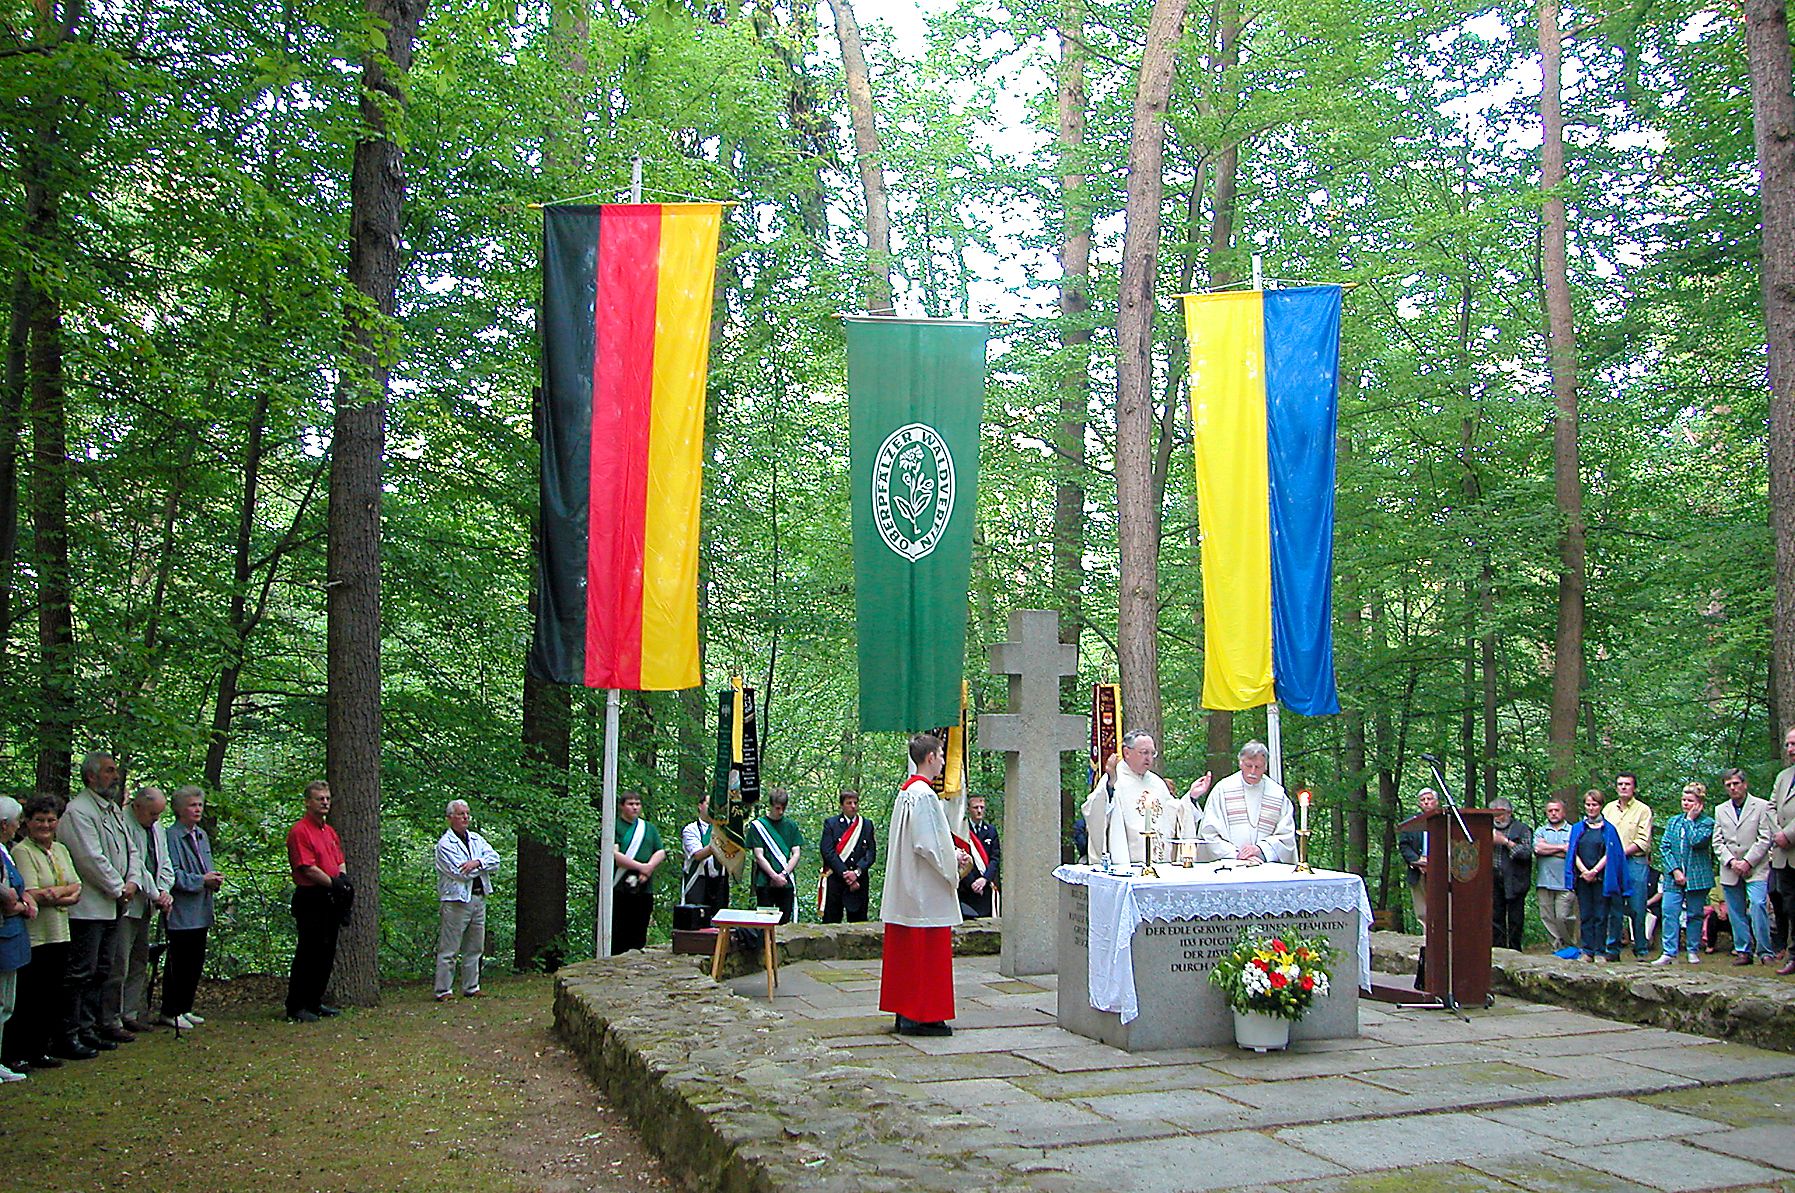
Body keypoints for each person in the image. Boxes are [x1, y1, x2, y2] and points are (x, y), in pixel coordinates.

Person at [880, 733, 963, 1037]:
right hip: (924, 890)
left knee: (907, 954)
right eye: (940, 756)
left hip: (907, 884)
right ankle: (922, 1015)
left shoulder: (906, 792)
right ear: (930, 758)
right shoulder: (924, 796)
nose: (942, 762)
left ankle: (907, 1012)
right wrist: (953, 861)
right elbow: (929, 845)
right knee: (926, 954)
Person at [59, 751, 137, 1050]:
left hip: (114, 905)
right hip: (88, 907)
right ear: (91, 776)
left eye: (115, 771)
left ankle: (89, 1027)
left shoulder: (113, 810)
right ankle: (69, 1033)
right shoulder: (78, 811)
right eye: (109, 771)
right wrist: (119, 887)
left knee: (103, 969)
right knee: (82, 971)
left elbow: (131, 850)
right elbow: (89, 858)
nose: (115, 777)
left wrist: (132, 881)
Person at [14, 796, 79, 1067]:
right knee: (30, 994)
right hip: (36, 934)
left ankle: (42, 1048)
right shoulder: (22, 851)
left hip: (60, 931)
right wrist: (61, 893)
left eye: (51, 820)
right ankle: (19, 1052)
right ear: (27, 822)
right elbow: (31, 894)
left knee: (52, 993)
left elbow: (76, 887)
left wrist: (56, 893)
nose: (45, 825)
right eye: (39, 820)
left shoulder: (61, 849)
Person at [112, 785, 173, 1034]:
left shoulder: (157, 828)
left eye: (158, 814)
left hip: (149, 905)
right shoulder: (122, 824)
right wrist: (155, 893)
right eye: (152, 813)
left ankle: (131, 1012)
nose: (155, 819)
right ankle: (113, 1017)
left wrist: (165, 889)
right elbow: (136, 864)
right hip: (129, 904)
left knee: (139, 960)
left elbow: (164, 862)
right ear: (136, 806)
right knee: (120, 962)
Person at [285, 780, 346, 1022]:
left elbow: (339, 859)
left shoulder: (328, 831)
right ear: (308, 802)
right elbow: (307, 868)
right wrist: (333, 883)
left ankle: (314, 1001)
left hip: (330, 896)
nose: (325, 802)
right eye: (320, 799)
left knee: (326, 952)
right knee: (308, 952)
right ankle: (296, 1005)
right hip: (311, 896)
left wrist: (342, 881)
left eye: (327, 798)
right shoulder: (300, 831)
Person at [161, 786, 221, 1029]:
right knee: (179, 961)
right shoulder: (171, 836)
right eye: (192, 805)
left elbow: (206, 866)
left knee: (195, 961)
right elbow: (173, 874)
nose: (197, 809)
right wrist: (201, 881)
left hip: (201, 908)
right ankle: (170, 1010)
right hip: (181, 910)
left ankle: (185, 1007)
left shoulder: (201, 835)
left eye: (200, 805)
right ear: (179, 809)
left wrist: (213, 880)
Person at [434, 799, 500, 998]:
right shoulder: (445, 844)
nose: (465, 817)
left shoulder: (476, 839)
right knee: (450, 948)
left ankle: (472, 987)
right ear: (450, 818)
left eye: (467, 813)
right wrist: (480, 866)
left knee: (475, 947)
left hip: (479, 898)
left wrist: (477, 862)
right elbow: (460, 872)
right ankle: (443, 990)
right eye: (460, 814)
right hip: (456, 901)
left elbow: (495, 860)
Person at [1196, 741, 1294, 864]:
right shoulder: (1223, 790)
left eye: (1258, 767)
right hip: (1229, 864)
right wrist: (1237, 855)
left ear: (1265, 766)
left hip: (1265, 865)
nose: (1253, 771)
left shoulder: (1277, 794)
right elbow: (1209, 832)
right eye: (1248, 766)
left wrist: (1260, 849)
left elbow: (1286, 835)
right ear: (1240, 763)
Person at [1714, 767, 1774, 966]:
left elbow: (1765, 837)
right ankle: (1743, 950)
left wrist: (1748, 862)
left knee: (1758, 904)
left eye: (1736, 783)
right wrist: (1731, 861)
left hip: (1756, 868)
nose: (1733, 788)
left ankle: (1764, 950)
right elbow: (1717, 841)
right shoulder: (1720, 810)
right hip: (1730, 868)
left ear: (1744, 784)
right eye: (1728, 785)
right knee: (1735, 911)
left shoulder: (1762, 806)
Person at [1655, 782, 1714, 966]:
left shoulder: (1707, 823)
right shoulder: (1673, 822)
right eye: (1684, 800)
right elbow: (1664, 847)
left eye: (1690, 801)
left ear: (1699, 803)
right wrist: (1675, 870)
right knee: (1669, 911)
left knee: (1695, 914)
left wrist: (1690, 821)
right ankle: (1669, 952)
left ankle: (1692, 950)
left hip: (1697, 877)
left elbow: (1697, 841)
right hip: (1673, 878)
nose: (1686, 804)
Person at [1567, 789, 1629, 962]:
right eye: (1588, 804)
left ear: (1600, 806)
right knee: (1586, 915)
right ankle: (1587, 951)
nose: (1591, 808)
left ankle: (1600, 951)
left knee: (1601, 916)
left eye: (1594, 805)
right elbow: (1572, 852)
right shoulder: (1578, 828)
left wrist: (1594, 870)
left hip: (1602, 878)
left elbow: (1612, 853)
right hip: (1583, 878)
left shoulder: (1609, 829)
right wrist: (1584, 871)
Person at [0, 797, 35, 1080]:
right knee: (1, 1003)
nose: (18, 826)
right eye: (16, 821)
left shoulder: (5, 851)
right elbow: (8, 900)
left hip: (11, 935)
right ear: (4, 825)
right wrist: (24, 905)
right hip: (4, 934)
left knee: (6, 1004)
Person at [1604, 773, 1654, 960]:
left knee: (1637, 907)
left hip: (1635, 861)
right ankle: (1612, 949)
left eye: (1627, 784)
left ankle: (1641, 948)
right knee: (1613, 905)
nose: (1623, 787)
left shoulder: (1643, 810)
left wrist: (1620, 853)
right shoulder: (1608, 809)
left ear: (1634, 788)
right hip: (1612, 863)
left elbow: (1643, 841)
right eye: (1620, 784)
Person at [612, 792, 665, 952]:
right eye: (630, 804)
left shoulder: (649, 828)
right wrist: (640, 867)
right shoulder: (614, 826)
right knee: (620, 929)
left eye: (637, 804)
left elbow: (660, 851)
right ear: (622, 806)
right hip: (620, 885)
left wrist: (649, 868)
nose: (635, 807)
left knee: (640, 927)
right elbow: (615, 855)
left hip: (644, 886)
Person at [819, 790, 877, 924]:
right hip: (836, 881)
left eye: (855, 803)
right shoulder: (831, 824)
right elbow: (827, 851)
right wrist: (845, 874)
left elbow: (870, 853)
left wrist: (856, 873)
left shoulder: (866, 825)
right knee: (831, 923)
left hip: (859, 882)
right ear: (841, 805)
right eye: (849, 803)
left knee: (859, 923)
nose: (853, 806)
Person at [748, 788, 804, 924]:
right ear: (771, 805)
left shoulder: (791, 826)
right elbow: (759, 855)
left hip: (786, 882)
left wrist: (784, 874)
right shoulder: (758, 826)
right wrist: (774, 876)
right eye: (778, 808)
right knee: (764, 923)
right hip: (765, 882)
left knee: (784, 922)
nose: (781, 812)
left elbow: (796, 853)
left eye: (783, 808)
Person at [1533, 798, 1579, 952]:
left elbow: (1573, 853)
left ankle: (1570, 946)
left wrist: (1548, 849)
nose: (1553, 813)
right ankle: (1557, 948)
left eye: (1556, 810)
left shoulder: (1573, 830)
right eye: (1550, 811)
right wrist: (1561, 848)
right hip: (1544, 881)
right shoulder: (1541, 831)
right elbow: (1538, 849)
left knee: (1563, 917)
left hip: (1566, 882)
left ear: (1564, 812)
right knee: (1547, 917)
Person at [1489, 797, 1533, 951]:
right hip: (1493, 880)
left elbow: (1526, 853)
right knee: (1495, 917)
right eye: (1494, 814)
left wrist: (1506, 842)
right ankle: (1498, 950)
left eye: (1500, 814)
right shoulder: (1486, 829)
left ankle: (1515, 950)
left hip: (1515, 880)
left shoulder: (1522, 829)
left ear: (1509, 812)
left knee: (1515, 919)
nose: (1497, 818)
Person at [680, 795, 730, 919]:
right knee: (695, 920)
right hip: (697, 880)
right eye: (708, 804)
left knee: (719, 920)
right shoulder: (690, 829)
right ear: (700, 806)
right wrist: (718, 843)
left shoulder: (725, 829)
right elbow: (698, 855)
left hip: (720, 881)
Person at [1770, 726, 1795, 973]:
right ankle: (1793, 955)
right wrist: (1778, 833)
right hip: (1783, 856)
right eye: (1788, 744)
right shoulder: (1783, 776)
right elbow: (1770, 807)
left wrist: (1788, 834)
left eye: (1794, 744)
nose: (1790, 749)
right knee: (1790, 906)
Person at [1398, 789, 1439, 934]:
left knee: (1440, 905)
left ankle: (1441, 935)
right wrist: (1417, 861)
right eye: (1423, 800)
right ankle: (1426, 935)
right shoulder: (1412, 823)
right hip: (1417, 871)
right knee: (1422, 908)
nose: (1426, 802)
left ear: (1436, 802)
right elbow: (1404, 845)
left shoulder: (1444, 822)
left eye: (1429, 799)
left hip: (1439, 870)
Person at [958, 795, 1000, 919]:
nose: (979, 811)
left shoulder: (991, 831)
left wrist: (985, 879)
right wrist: (972, 882)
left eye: (982, 807)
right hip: (967, 889)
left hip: (985, 887)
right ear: (969, 809)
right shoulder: (962, 832)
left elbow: (995, 858)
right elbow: (961, 858)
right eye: (976, 807)